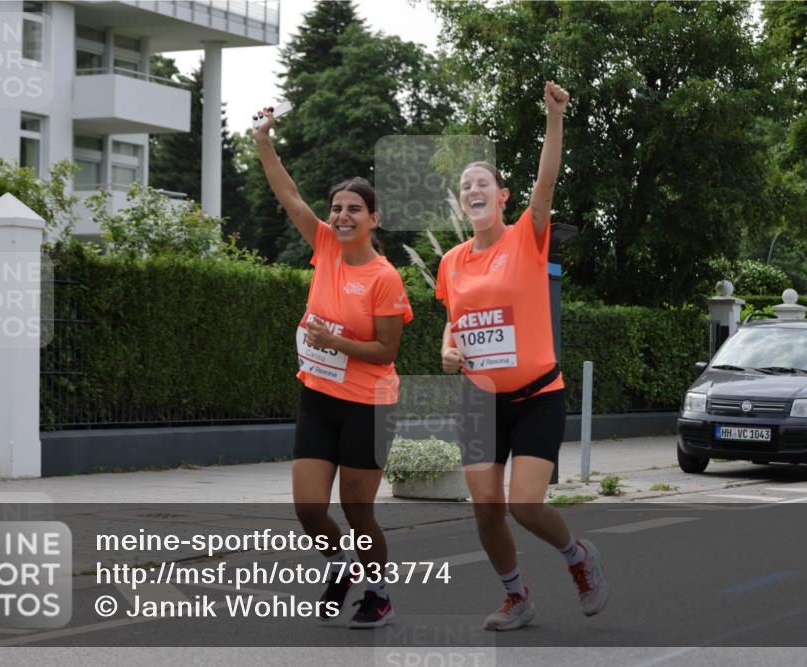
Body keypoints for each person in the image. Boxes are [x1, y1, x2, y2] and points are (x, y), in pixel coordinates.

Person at [434, 82, 608, 631]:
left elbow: (547, 180)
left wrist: (554, 118)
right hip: (480, 400)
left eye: (482, 182)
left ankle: (578, 557)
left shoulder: (527, 236)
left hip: (537, 397)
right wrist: (447, 346)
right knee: (486, 510)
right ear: (462, 201)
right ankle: (517, 597)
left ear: (503, 196)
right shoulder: (452, 262)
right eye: (466, 186)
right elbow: (453, 320)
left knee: (524, 506)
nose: (473, 190)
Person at [252, 106, 413, 628]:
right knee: (307, 506)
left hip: (369, 403)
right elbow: (288, 195)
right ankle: (340, 566)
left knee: (359, 509)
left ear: (374, 218)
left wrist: (334, 343)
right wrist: (262, 141)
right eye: (337, 208)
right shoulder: (323, 245)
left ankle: (378, 591)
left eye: (353, 209)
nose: (342, 216)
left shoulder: (385, 278)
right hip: (319, 396)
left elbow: (387, 352)